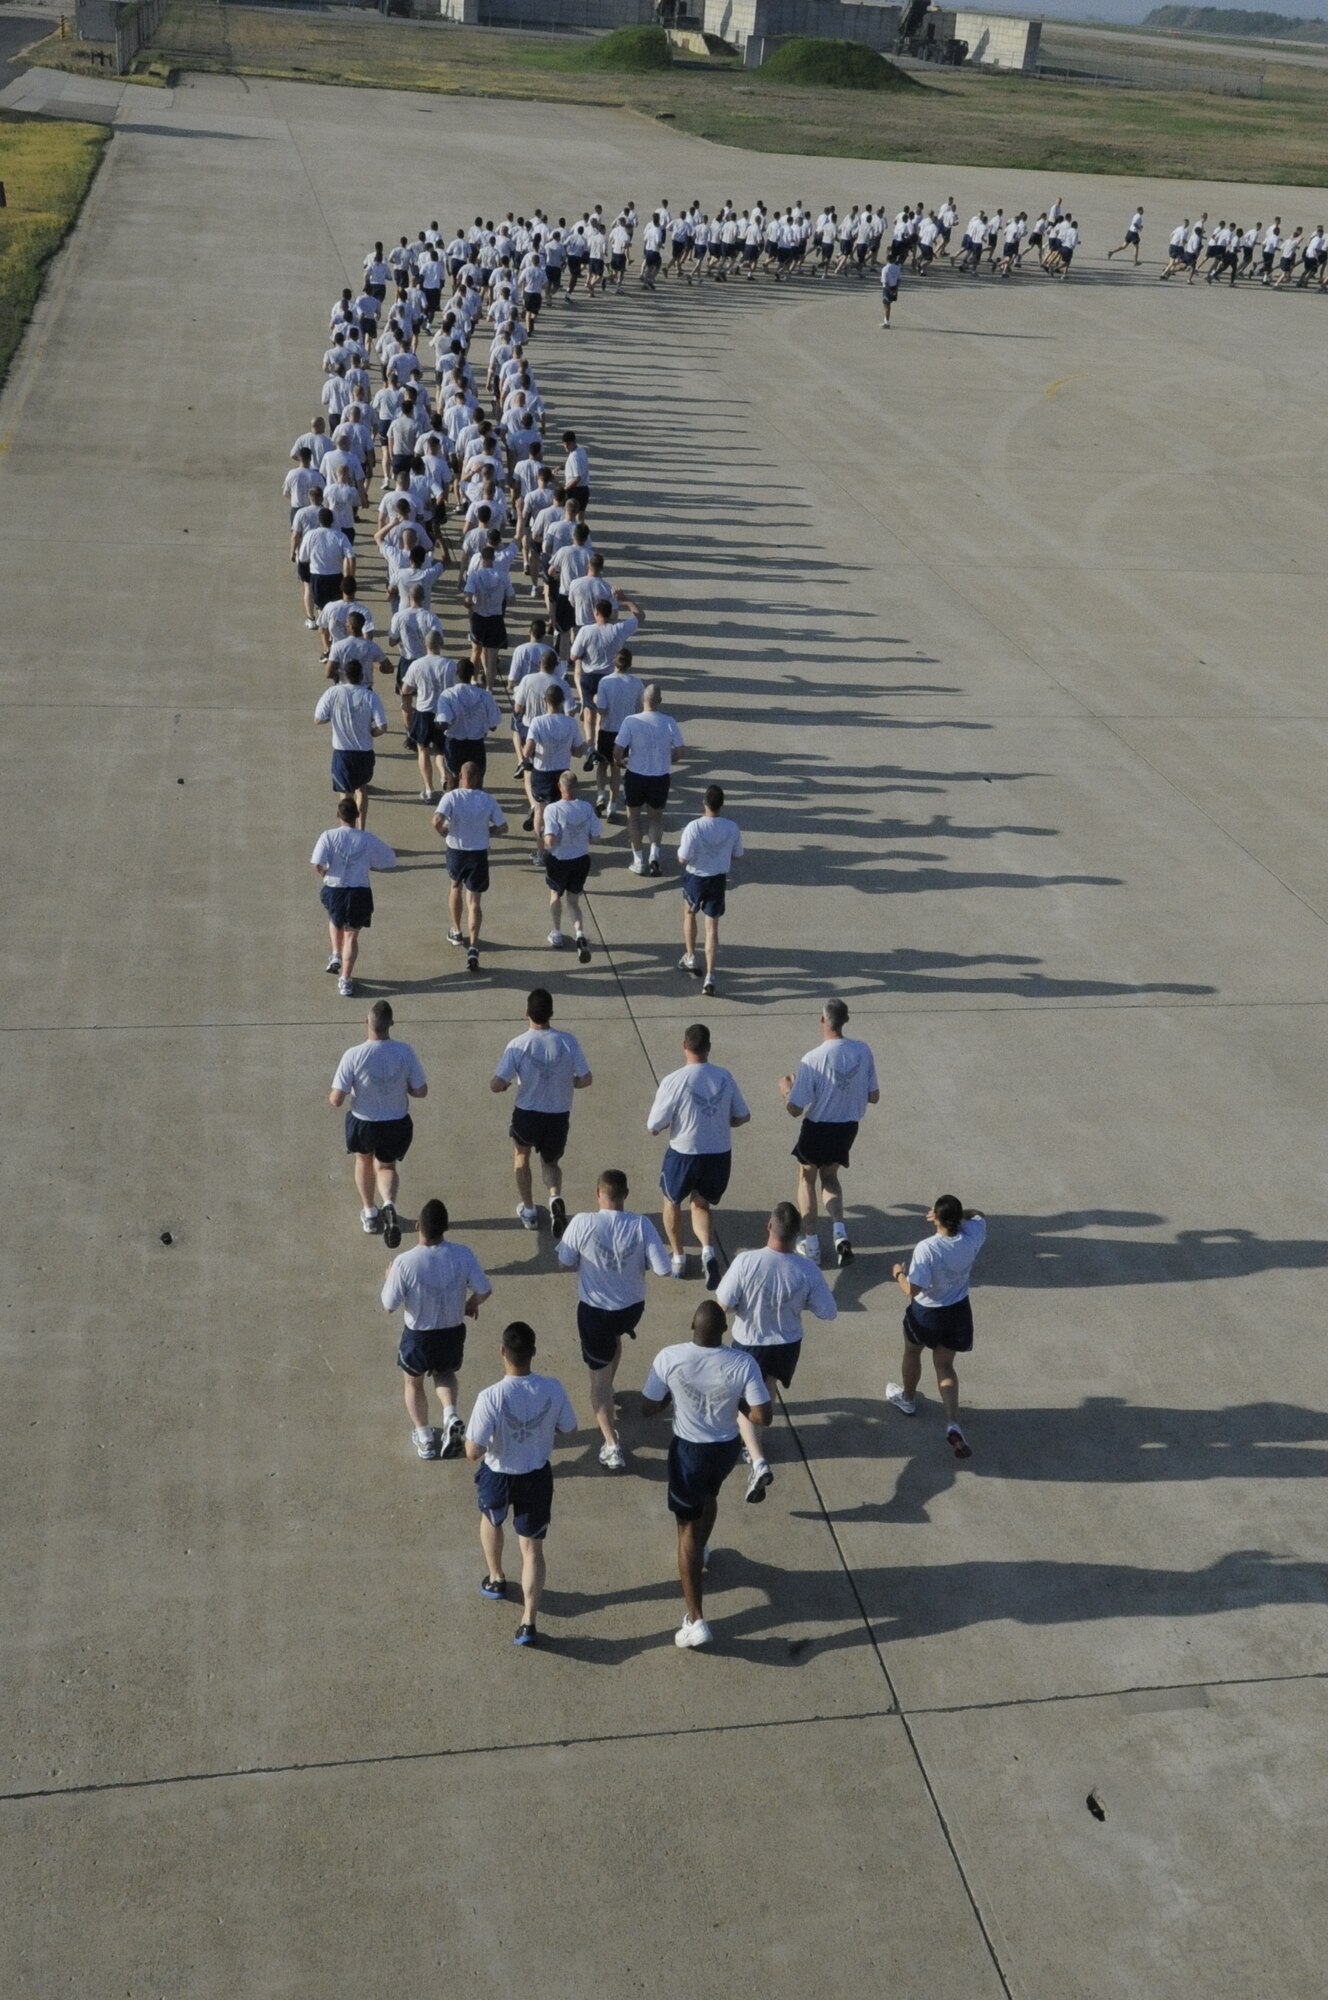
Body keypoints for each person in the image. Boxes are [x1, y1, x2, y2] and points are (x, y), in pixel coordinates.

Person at [640, 1300, 772, 1650]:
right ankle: (702, 1549)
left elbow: (647, 1406)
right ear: (724, 1331)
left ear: (691, 1326)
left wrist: (672, 1397)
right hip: (725, 1450)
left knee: (685, 1528)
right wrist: (735, 1402)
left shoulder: (670, 1357)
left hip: (688, 1453)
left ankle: (695, 1619)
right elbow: (762, 1416)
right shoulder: (743, 1363)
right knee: (709, 1497)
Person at [464, 1320, 578, 1648]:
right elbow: (569, 1428)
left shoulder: (490, 1396)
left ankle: (496, 1577)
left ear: (502, 1351)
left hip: (498, 1475)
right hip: (536, 1476)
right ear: (534, 1352)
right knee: (532, 1550)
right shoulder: (553, 1389)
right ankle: (528, 1621)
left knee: (491, 1520)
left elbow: (473, 1451)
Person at [716, 1201, 837, 1503]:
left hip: (750, 1343)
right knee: (766, 1391)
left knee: (743, 1404)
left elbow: (723, 1304)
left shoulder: (746, 1262)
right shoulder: (807, 1269)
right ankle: (754, 1445)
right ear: (797, 1234)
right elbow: (828, 1311)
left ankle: (757, 1461)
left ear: (770, 1226)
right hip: (786, 1346)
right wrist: (801, 1301)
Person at [556, 1168, 673, 1469]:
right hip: (630, 1311)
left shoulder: (583, 1222)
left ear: (598, 1194)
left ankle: (611, 1444)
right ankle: (609, 1386)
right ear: (626, 1195)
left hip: (595, 1313)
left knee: (597, 1380)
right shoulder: (642, 1224)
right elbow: (663, 1269)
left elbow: (564, 1261)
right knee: (614, 1340)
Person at [382, 1197, 491, 1461]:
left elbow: (389, 1305)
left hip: (418, 1337)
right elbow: (485, 1289)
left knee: (413, 1382)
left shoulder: (405, 1262)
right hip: (452, 1332)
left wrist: (389, 1278)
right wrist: (470, 1303)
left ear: (417, 1226)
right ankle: (450, 1414)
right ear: (446, 1228)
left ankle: (424, 1438)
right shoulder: (463, 1254)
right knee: (445, 1373)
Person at [647, 1023, 750, 1287]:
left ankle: (678, 1258)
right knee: (701, 1205)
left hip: (683, 1155)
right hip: (718, 1155)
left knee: (671, 1202)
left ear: (684, 1045)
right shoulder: (724, 1077)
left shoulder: (674, 1081)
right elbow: (742, 1116)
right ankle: (707, 1251)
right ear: (708, 1048)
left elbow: (653, 1126)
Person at [779, 998, 880, 1266]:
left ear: (823, 1019)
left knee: (806, 1179)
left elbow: (794, 1109)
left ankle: (811, 1243)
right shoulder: (863, 1051)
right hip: (847, 1128)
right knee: (830, 1178)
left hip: (817, 1128)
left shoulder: (812, 1059)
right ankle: (839, 1233)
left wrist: (787, 1089)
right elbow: (874, 1095)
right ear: (846, 1020)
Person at [886, 1196, 987, 1460]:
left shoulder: (927, 1248)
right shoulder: (972, 1236)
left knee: (912, 1352)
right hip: (957, 1312)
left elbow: (912, 1290)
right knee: (945, 1367)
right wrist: (957, 1214)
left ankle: (908, 1399)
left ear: (937, 1219)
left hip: (927, 1314)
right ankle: (953, 1423)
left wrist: (898, 1273)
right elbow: (978, 1214)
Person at [490, 989, 593, 1234]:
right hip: (558, 1114)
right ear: (551, 1013)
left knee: (521, 1156)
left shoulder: (518, 1044)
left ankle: (529, 1211)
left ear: (526, 1012)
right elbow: (586, 1078)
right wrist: (570, 1082)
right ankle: (555, 1197)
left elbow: (495, 1084)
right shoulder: (568, 1041)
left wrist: (505, 1085)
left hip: (527, 1114)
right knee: (550, 1162)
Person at [328, 1000, 427, 1244]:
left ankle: (370, 1214)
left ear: (367, 1021)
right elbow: (421, 1090)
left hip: (364, 1123)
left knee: (364, 1161)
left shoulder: (353, 1055)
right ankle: (389, 1203)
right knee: (386, 1167)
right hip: (396, 1122)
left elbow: (336, 1100)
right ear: (391, 1023)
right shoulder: (405, 1052)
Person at [310, 795, 396, 999]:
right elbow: (389, 859)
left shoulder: (328, 836)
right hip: (359, 891)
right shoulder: (367, 838)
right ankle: (345, 979)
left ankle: (335, 954)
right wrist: (368, 863)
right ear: (357, 816)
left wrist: (326, 874)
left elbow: (317, 863)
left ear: (338, 815)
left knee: (334, 918)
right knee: (351, 936)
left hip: (335, 889)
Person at [432, 761, 506, 974]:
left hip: (456, 851)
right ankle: (474, 945)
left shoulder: (452, 797)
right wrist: (487, 832)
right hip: (478, 853)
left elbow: (436, 819)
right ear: (478, 778)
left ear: (461, 777)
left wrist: (442, 831)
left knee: (455, 887)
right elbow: (503, 827)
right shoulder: (487, 800)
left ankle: (456, 930)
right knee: (474, 901)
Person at [678, 785, 743, 999]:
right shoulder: (731, 827)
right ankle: (710, 977)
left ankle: (690, 956)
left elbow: (683, 857)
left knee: (689, 914)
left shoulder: (694, 827)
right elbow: (738, 854)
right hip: (717, 879)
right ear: (721, 804)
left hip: (695, 878)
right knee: (712, 928)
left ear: (704, 803)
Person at [613, 684, 683, 878]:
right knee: (656, 818)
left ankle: (638, 860)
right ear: (659, 701)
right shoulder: (669, 722)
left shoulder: (631, 721)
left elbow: (617, 750)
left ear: (642, 700)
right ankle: (655, 855)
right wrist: (667, 759)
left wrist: (619, 762)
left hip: (635, 776)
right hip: (660, 777)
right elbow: (680, 751)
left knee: (633, 818)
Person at [313, 658, 387, 829]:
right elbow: (383, 727)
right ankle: (361, 828)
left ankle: (346, 828)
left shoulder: (333, 693)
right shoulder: (370, 696)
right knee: (362, 789)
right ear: (361, 676)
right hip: (364, 752)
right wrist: (372, 732)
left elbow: (318, 719)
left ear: (344, 675)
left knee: (345, 795)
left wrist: (334, 718)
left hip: (343, 753)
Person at [541, 770, 600, 961]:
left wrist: (544, 838)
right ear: (577, 787)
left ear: (560, 787)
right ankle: (580, 935)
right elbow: (596, 837)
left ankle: (557, 932)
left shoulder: (552, 809)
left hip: (559, 861)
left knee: (555, 894)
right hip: (581, 860)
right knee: (574, 901)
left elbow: (550, 841)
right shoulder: (587, 808)